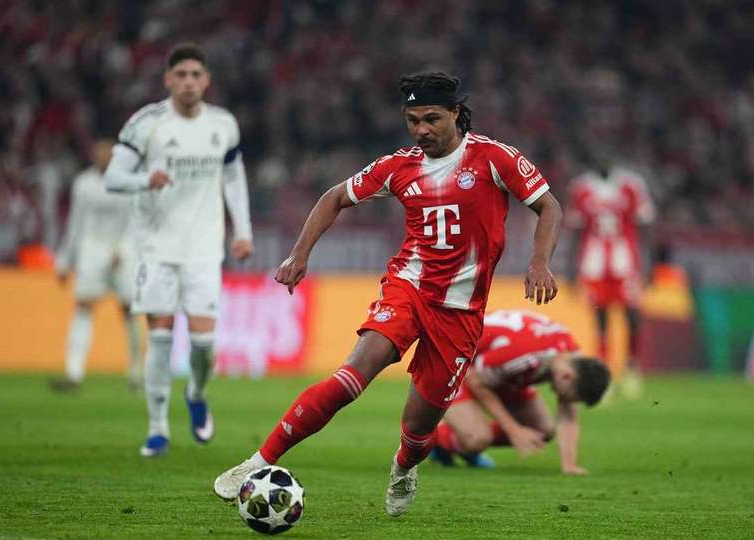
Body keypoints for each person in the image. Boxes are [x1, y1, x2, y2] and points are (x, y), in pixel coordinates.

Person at [214, 71, 563, 516]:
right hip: (408, 289)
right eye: (413, 120)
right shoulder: (398, 166)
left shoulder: (495, 158)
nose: (422, 130)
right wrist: (299, 255)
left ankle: (404, 466)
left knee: (419, 432)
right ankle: (257, 462)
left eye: (432, 119)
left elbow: (548, 205)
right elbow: (333, 197)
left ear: (456, 114)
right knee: (349, 379)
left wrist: (539, 261)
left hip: (460, 312)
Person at [104, 43, 254, 457]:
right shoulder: (146, 124)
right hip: (156, 248)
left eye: (195, 75)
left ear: (206, 80)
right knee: (161, 337)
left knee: (205, 346)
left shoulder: (223, 124)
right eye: (180, 75)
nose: (188, 82)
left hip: (205, 249)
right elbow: (113, 178)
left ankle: (196, 392)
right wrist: (143, 181)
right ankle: (157, 429)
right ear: (168, 79)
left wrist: (242, 231)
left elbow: (234, 179)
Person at [430, 309, 610, 474]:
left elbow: (568, 415)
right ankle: (438, 437)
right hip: (453, 363)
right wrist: (513, 429)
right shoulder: (523, 358)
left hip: (500, 372)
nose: (564, 400)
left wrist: (569, 466)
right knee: (478, 438)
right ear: (567, 377)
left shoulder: (570, 355)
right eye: (568, 396)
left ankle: (462, 439)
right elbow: (475, 380)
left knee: (543, 430)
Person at [51, 139, 142, 391]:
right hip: (92, 252)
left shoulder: (129, 182)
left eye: (107, 154)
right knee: (83, 307)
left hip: (123, 253)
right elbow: (75, 223)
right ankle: (73, 373)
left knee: (130, 311)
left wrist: (123, 249)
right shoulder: (83, 184)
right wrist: (64, 260)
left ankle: (136, 371)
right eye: (98, 153)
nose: (102, 158)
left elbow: (136, 221)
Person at [565, 154, 654, 398]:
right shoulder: (581, 187)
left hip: (625, 263)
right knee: (601, 320)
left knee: (632, 316)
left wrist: (650, 265)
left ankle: (632, 368)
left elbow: (646, 226)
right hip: (593, 265)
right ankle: (605, 374)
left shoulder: (631, 185)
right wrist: (570, 270)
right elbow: (575, 230)